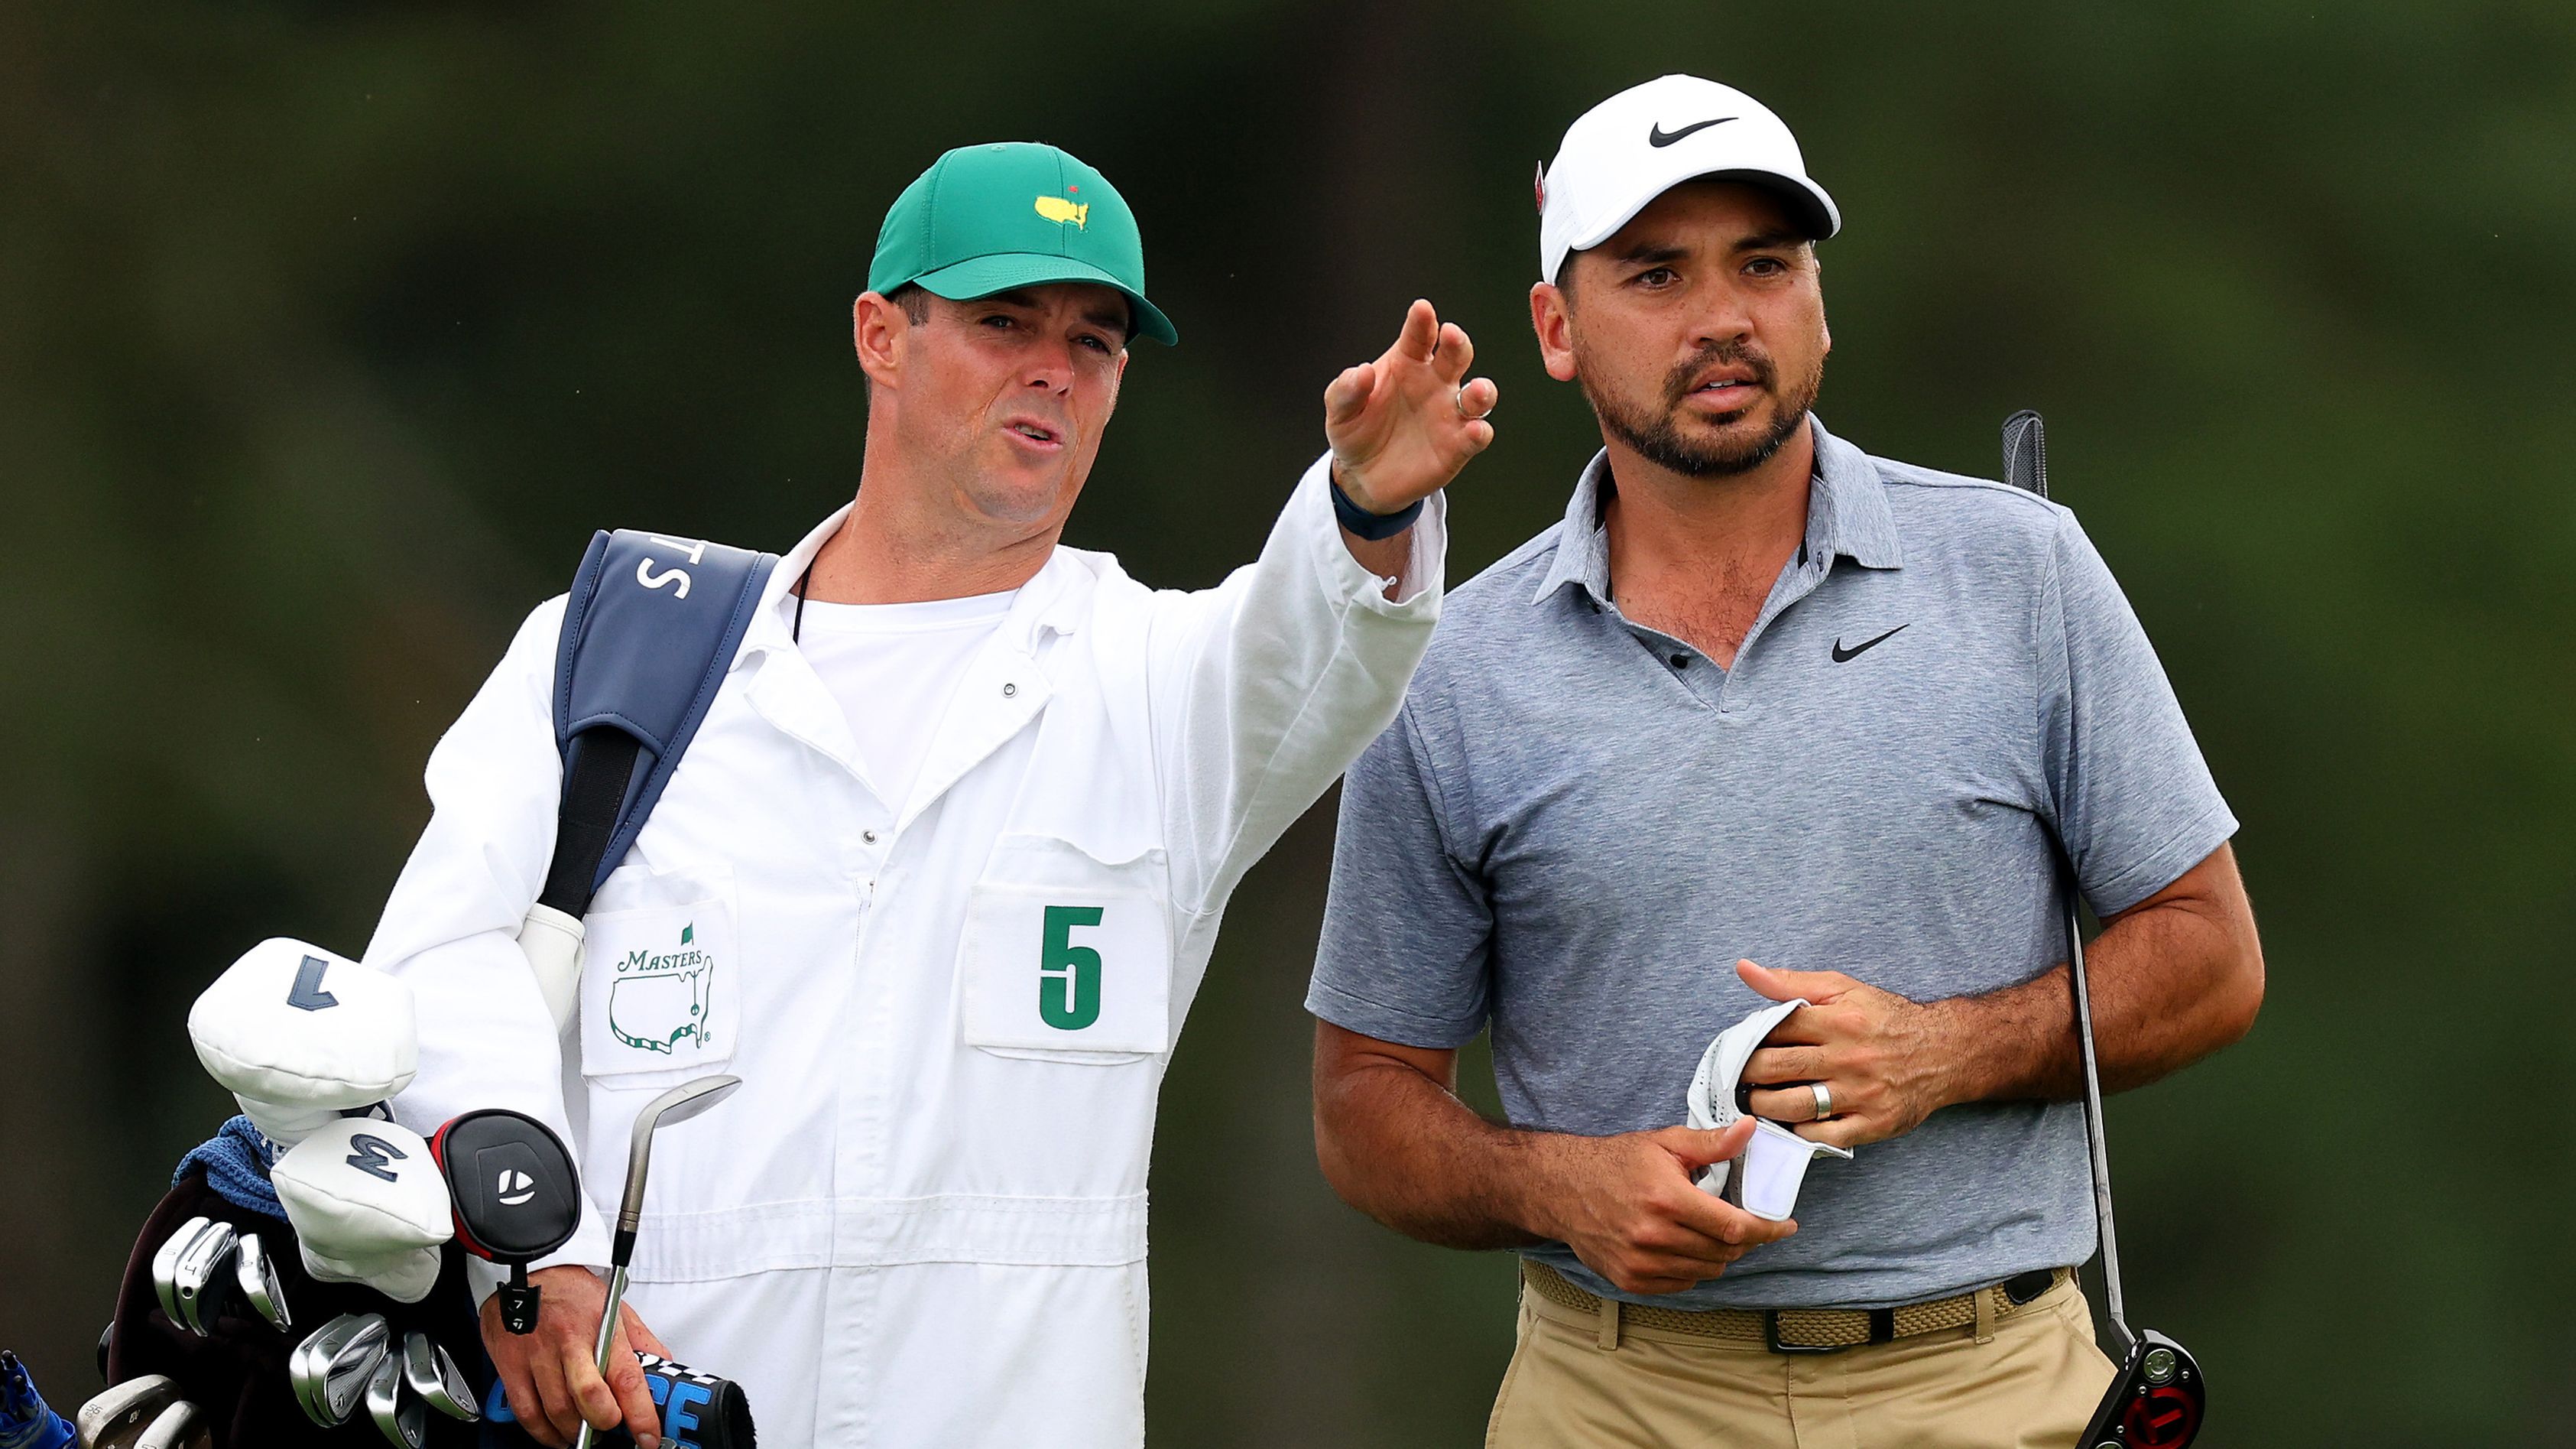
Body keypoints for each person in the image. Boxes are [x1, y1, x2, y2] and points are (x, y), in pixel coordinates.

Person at [365, 140, 1498, 1448]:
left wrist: (1360, 505)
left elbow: (1318, 643)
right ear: (880, 335)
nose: (1052, 369)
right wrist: (540, 1257)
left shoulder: (1157, 687)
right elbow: (438, 967)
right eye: (1002, 320)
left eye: (1095, 340)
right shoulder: (620, 651)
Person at [1306, 76, 2263, 1447]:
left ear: (1817, 298)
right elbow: (1364, 1110)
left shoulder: (2020, 570)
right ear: (1554, 329)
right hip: (1613, 1396)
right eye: (1654, 274)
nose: (1720, 318)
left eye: (1765, 265)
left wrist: (1945, 1051)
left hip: (1988, 1384)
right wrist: (1561, 1187)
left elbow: (2212, 958)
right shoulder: (1451, 665)